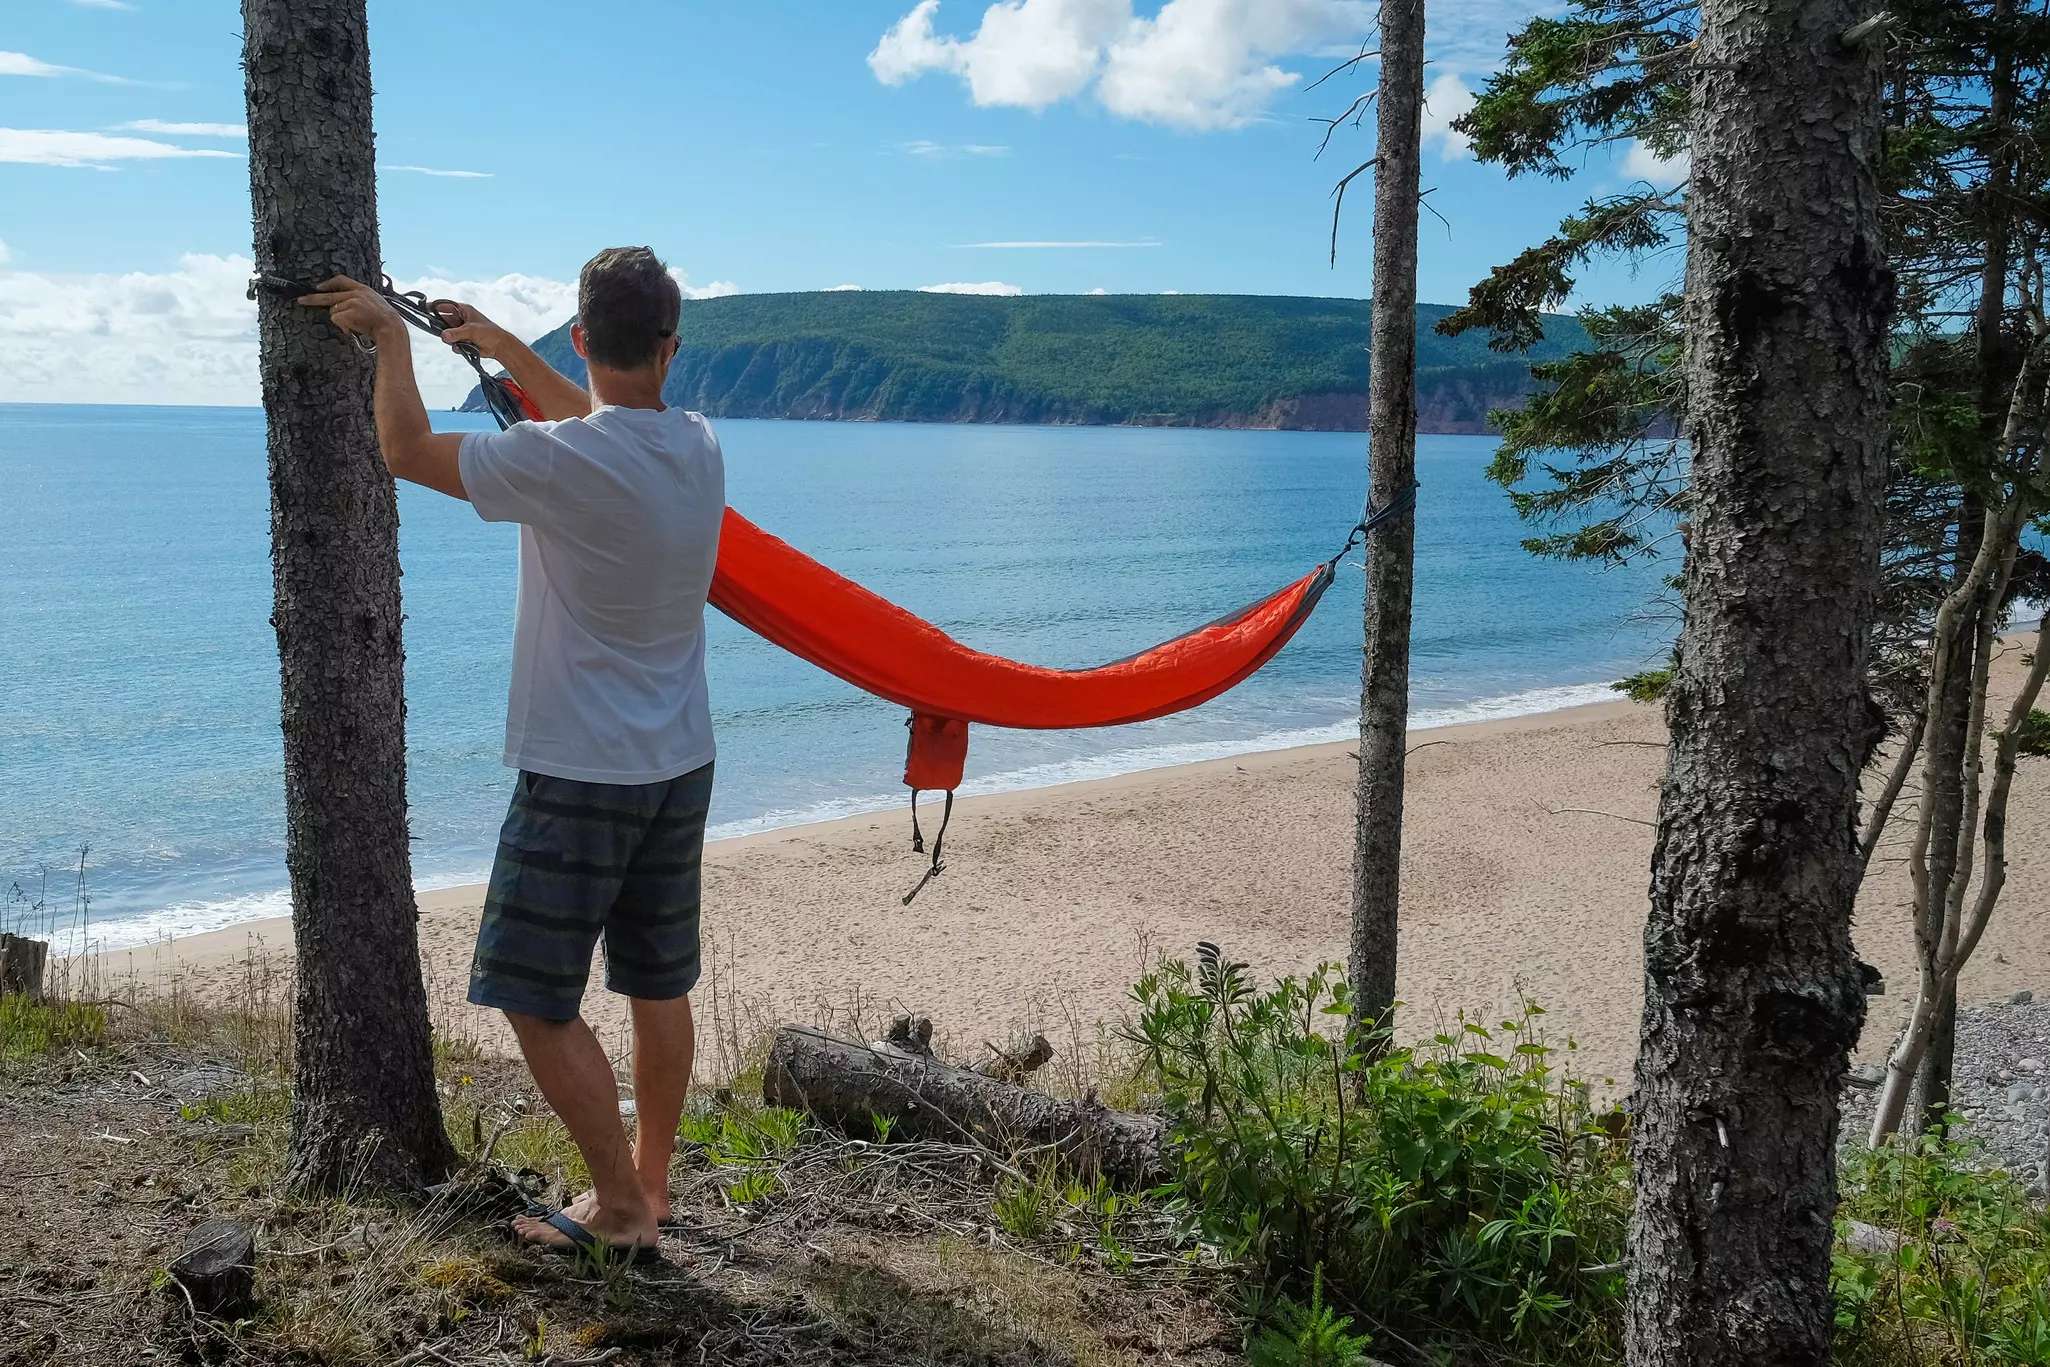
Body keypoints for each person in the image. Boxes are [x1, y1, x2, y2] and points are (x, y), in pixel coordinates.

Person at [301, 247, 723, 1260]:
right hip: (679, 754)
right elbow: (605, 414)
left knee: (531, 994)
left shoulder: (555, 460)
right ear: (670, 349)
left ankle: (619, 1208)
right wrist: (493, 344)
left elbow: (403, 448)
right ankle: (651, 1180)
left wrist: (392, 340)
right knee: (655, 981)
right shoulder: (699, 445)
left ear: (580, 337)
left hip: (582, 766)